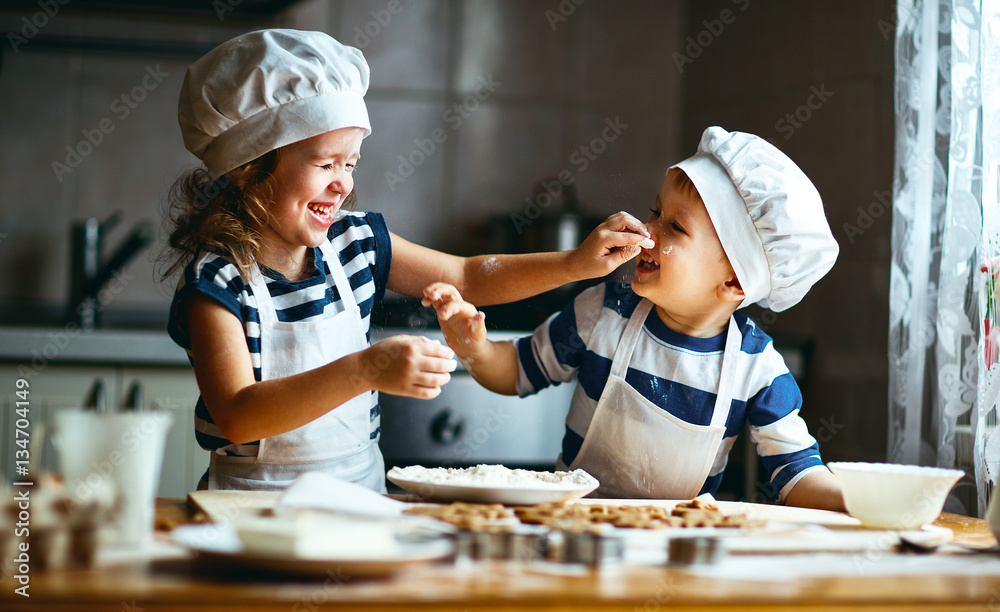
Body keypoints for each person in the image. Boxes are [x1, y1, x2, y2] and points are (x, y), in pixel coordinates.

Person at [161, 29, 654, 492]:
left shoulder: (356, 243)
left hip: (358, 507)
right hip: (247, 517)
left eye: (350, 163)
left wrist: (574, 264)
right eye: (325, 163)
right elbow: (236, 414)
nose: (343, 183)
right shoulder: (218, 281)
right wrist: (365, 368)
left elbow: (467, 275)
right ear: (249, 168)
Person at [424, 126, 846, 510]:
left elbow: (798, 475)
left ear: (735, 281)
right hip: (573, 535)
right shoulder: (604, 311)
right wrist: (474, 348)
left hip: (675, 553)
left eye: (675, 227)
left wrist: (861, 502)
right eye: (655, 211)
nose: (648, 230)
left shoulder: (758, 369)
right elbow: (517, 371)